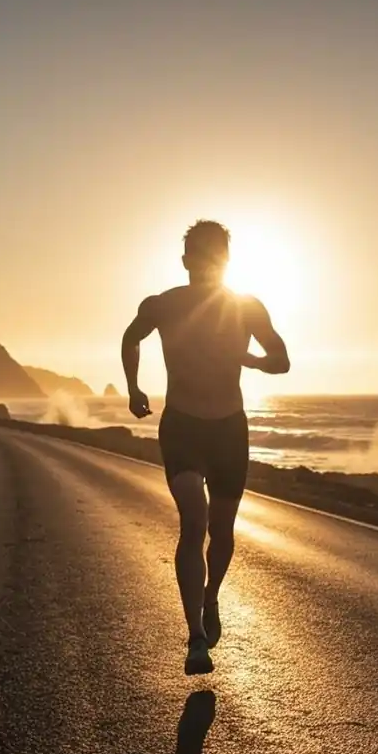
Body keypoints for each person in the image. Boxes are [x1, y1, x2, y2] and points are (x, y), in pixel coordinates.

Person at [120, 220, 291, 674]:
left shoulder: (247, 308)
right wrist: (134, 388)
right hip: (182, 428)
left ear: (227, 260)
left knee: (222, 532)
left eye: (216, 253)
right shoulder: (162, 305)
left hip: (229, 431)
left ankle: (211, 596)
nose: (208, 261)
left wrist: (248, 359)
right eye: (199, 253)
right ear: (185, 260)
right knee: (193, 522)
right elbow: (130, 336)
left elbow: (282, 360)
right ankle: (196, 637)